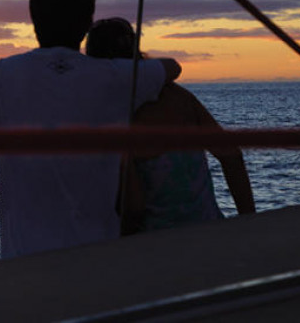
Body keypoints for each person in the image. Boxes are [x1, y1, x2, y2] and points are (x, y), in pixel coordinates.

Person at [0, 0, 181, 268]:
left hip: (24, 267)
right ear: (86, 23)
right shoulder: (116, 77)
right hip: (100, 262)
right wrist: (124, 66)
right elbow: (172, 67)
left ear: (34, 21)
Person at [86, 17, 256, 234]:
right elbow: (231, 156)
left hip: (153, 244)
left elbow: (134, 208)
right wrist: (249, 221)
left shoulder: (114, 116)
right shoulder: (180, 97)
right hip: (209, 229)